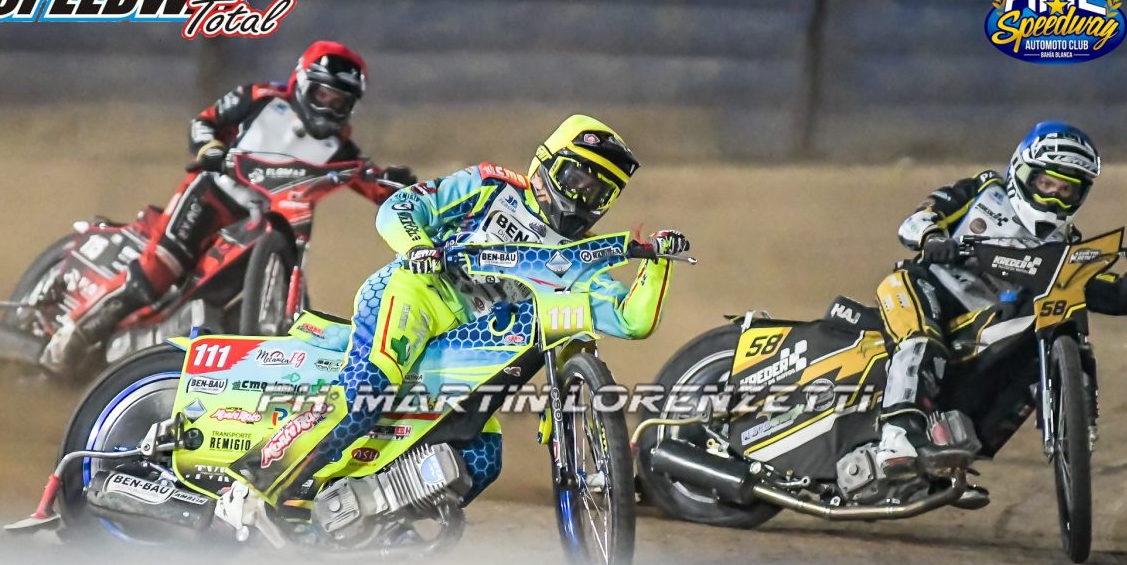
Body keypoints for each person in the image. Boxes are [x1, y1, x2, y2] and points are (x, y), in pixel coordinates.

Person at [228, 114, 690, 519]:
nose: (584, 196)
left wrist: (657, 262)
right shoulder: (491, 187)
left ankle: (358, 513)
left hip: (468, 345)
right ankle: (254, 484)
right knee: (369, 390)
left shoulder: (582, 258)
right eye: (576, 179)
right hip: (418, 293)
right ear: (545, 164)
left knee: (482, 457)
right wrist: (417, 245)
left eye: (600, 190)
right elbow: (400, 206)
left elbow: (632, 320)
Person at [41, 40, 416, 372]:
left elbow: (373, 183)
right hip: (214, 195)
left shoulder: (342, 152)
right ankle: (73, 335)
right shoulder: (260, 98)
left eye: (340, 101)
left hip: (265, 224)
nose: (329, 106)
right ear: (303, 83)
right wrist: (210, 148)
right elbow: (204, 122)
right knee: (160, 269)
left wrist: (401, 188)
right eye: (323, 94)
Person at [873, 121, 1127, 476]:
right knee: (921, 338)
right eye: (1046, 184)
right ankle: (897, 435)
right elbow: (917, 219)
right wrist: (933, 238)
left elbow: (1117, 297)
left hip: (982, 321)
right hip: (924, 286)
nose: (1054, 198)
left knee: (1029, 349)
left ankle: (955, 448)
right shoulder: (984, 191)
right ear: (1023, 172)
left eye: (1066, 190)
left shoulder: (1064, 246)